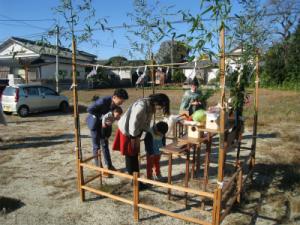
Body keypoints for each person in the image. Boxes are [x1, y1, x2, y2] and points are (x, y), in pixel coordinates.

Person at [112, 93, 170, 189]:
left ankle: (136, 180)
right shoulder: (141, 106)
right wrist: (134, 137)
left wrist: (145, 133)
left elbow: (146, 122)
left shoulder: (150, 106)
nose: (159, 109)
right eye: (160, 106)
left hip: (135, 132)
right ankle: (134, 182)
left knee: (134, 154)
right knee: (131, 155)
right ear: (156, 102)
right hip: (128, 131)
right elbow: (133, 123)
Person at [86, 88, 128, 170]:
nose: (121, 103)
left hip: (105, 126)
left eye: (123, 102)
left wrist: (115, 117)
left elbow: (115, 112)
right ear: (114, 97)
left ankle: (109, 166)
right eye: (121, 101)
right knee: (96, 146)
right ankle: (99, 167)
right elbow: (89, 109)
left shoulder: (116, 105)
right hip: (95, 124)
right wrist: (102, 116)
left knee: (105, 145)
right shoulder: (103, 101)